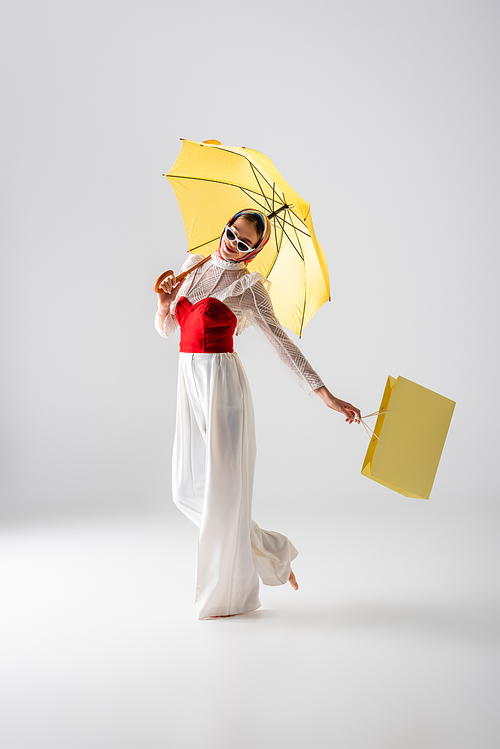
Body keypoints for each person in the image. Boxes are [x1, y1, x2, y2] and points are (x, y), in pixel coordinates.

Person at [155, 208, 361, 620]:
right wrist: (164, 302)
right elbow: (167, 330)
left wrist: (326, 396)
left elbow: (284, 346)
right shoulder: (191, 267)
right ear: (225, 226)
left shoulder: (248, 287)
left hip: (222, 386)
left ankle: (226, 597)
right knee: (185, 489)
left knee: (225, 496)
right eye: (231, 232)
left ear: (254, 251)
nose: (232, 242)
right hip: (188, 382)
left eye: (244, 242)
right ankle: (273, 551)